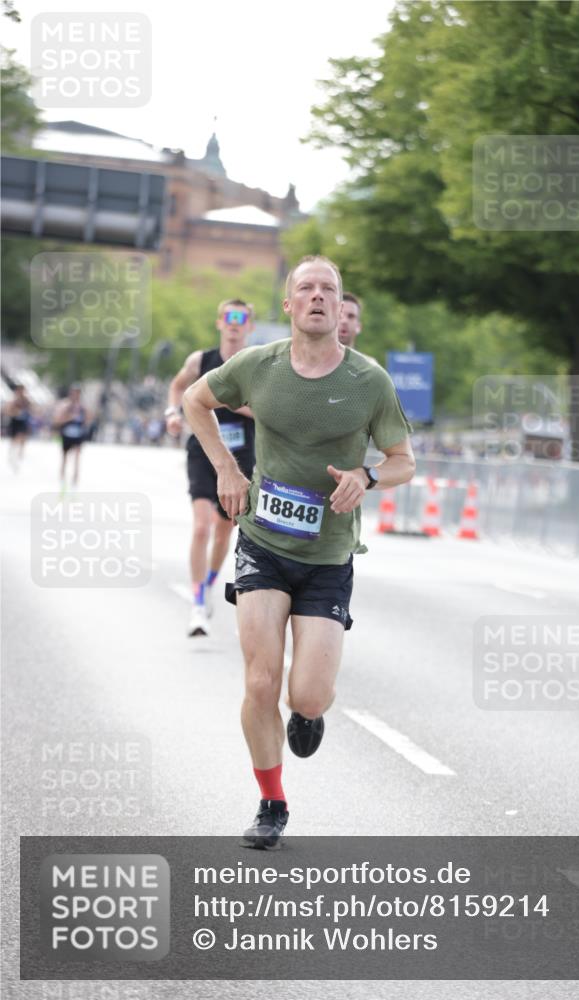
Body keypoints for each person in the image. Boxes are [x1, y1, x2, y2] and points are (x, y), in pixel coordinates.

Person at [183, 255, 415, 849]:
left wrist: (366, 475)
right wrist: (228, 470)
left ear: (341, 310)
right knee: (260, 682)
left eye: (328, 290)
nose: (317, 297)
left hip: (329, 555)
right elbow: (194, 403)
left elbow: (403, 462)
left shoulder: (369, 382)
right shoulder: (257, 366)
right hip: (262, 541)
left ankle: (308, 713)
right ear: (288, 306)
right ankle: (271, 802)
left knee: (304, 694)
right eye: (305, 288)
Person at [166, 299, 256, 638]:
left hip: (241, 453)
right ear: (220, 323)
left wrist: (220, 401)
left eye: (241, 318)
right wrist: (173, 413)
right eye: (229, 318)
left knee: (224, 529)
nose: (234, 323)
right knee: (201, 527)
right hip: (203, 450)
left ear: (250, 325)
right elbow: (178, 387)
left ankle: (210, 582)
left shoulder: (255, 364)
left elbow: (264, 410)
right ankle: (199, 602)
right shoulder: (200, 360)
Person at [53, 384, 88, 490]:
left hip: (78, 435)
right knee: (65, 457)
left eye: (78, 393)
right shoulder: (65, 406)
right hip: (67, 434)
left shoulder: (82, 407)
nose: (76, 395)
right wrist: (69, 418)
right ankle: (62, 479)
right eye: (74, 393)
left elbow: (87, 420)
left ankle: (75, 480)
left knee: (77, 456)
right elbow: (57, 420)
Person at [5, 383, 32, 471]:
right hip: (15, 421)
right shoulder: (13, 401)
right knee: (14, 439)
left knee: (22, 437)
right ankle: (12, 453)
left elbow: (30, 410)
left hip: (23, 422)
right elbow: (8, 411)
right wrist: (16, 413)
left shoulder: (26, 400)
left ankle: (20, 453)